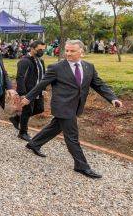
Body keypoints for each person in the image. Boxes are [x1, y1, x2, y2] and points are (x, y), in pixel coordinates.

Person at [22, 40, 123, 179]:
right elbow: (42, 84)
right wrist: (28, 97)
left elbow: (99, 84)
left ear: (82, 51)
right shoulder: (56, 67)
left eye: (72, 51)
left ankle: (34, 143)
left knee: (56, 127)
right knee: (72, 136)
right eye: (67, 50)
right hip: (62, 106)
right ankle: (81, 166)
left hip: (76, 105)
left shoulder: (89, 67)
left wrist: (113, 98)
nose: (68, 53)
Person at [11, 40, 47, 141]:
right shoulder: (24, 61)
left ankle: (17, 118)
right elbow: (20, 77)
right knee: (27, 111)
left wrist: (43, 88)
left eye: (43, 50)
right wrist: (23, 94)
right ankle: (23, 132)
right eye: (39, 49)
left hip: (38, 91)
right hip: (28, 92)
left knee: (40, 108)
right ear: (32, 49)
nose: (42, 51)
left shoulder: (41, 61)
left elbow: (43, 76)